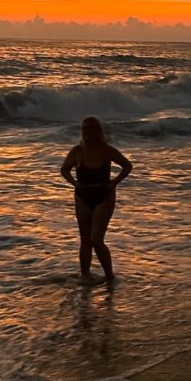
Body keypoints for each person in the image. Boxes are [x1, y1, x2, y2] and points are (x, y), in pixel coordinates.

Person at [60, 116, 132, 283]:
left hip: (104, 196)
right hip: (82, 196)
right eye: (84, 129)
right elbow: (64, 169)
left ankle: (109, 277)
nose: (87, 132)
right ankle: (85, 276)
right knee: (85, 240)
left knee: (96, 240)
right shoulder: (77, 151)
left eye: (91, 128)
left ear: (98, 131)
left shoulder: (107, 150)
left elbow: (127, 166)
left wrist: (114, 182)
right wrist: (75, 183)